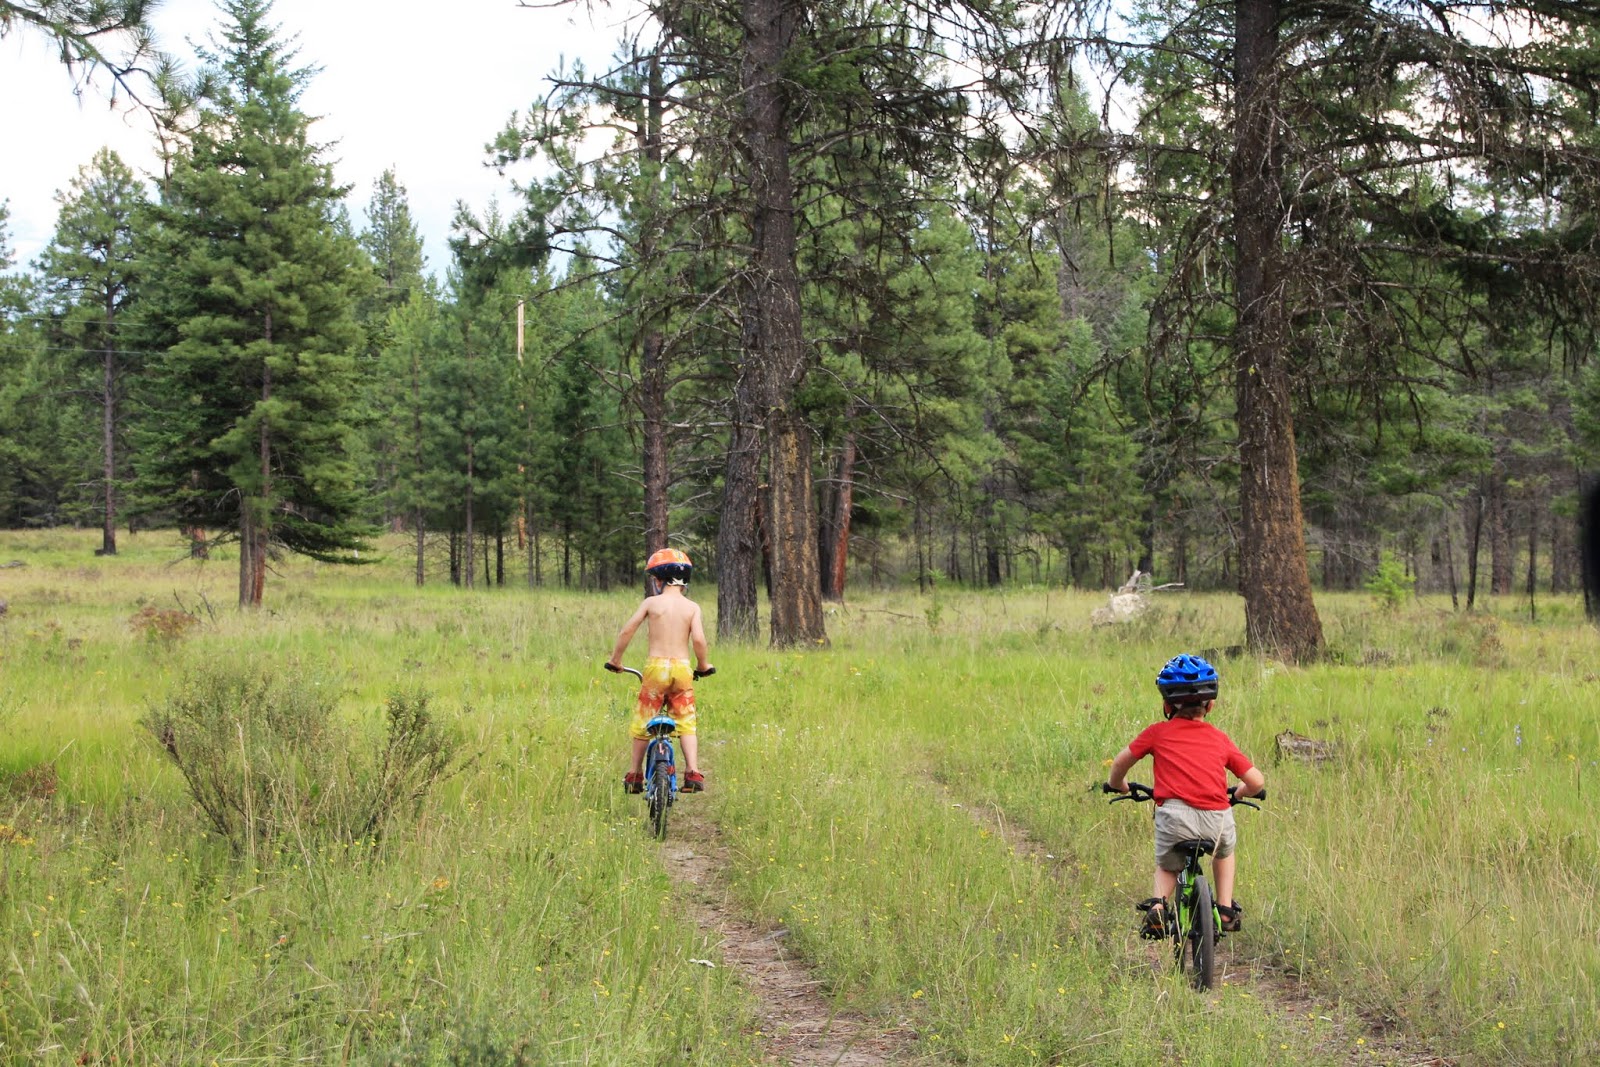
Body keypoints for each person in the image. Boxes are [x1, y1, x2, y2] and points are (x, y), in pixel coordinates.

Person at [1105, 653, 1266, 937]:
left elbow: (1120, 763)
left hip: (1174, 817)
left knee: (1168, 867)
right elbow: (1256, 781)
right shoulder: (1220, 738)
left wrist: (1119, 785)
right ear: (1211, 704)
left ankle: (1157, 906)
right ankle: (1226, 908)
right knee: (1224, 852)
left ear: (1167, 704)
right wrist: (1239, 794)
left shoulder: (1157, 733)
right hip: (1217, 818)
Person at [606, 548, 713, 794]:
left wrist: (616, 660)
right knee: (686, 721)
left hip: (656, 668)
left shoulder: (652, 603)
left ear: (659, 580)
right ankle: (693, 772)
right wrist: (703, 665)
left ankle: (634, 775)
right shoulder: (692, 607)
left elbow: (627, 631)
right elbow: (698, 640)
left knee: (644, 720)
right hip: (682, 669)